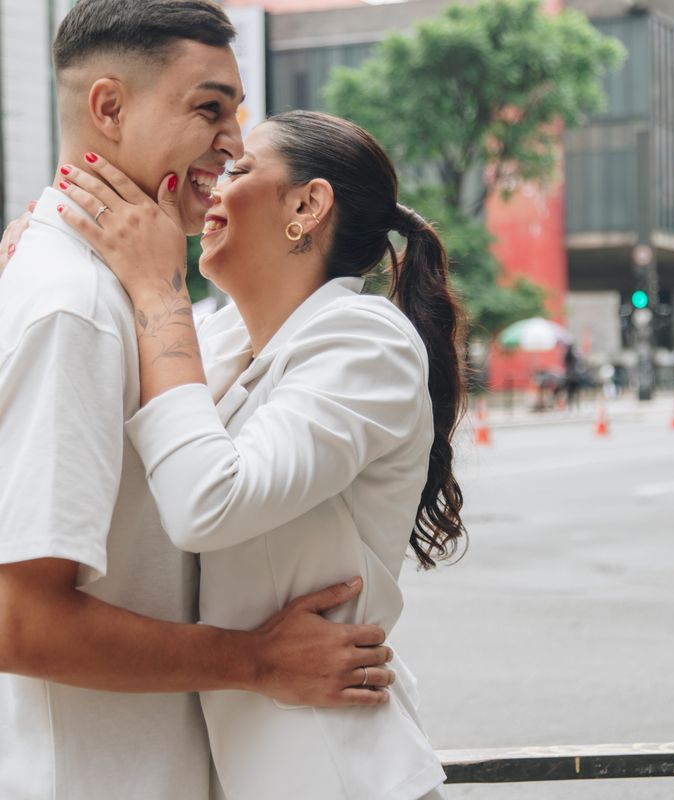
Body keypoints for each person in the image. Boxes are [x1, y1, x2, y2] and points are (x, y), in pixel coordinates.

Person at [0, 4, 392, 799]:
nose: (233, 144)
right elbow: (18, 621)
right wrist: (251, 660)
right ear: (109, 108)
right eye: (209, 108)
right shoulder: (76, 305)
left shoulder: (117, 298)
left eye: (238, 117)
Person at [55, 109, 467, 799]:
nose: (213, 185)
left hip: (332, 774)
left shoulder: (366, 341)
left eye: (239, 170)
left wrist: (161, 290)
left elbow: (207, 503)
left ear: (307, 206)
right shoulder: (219, 343)